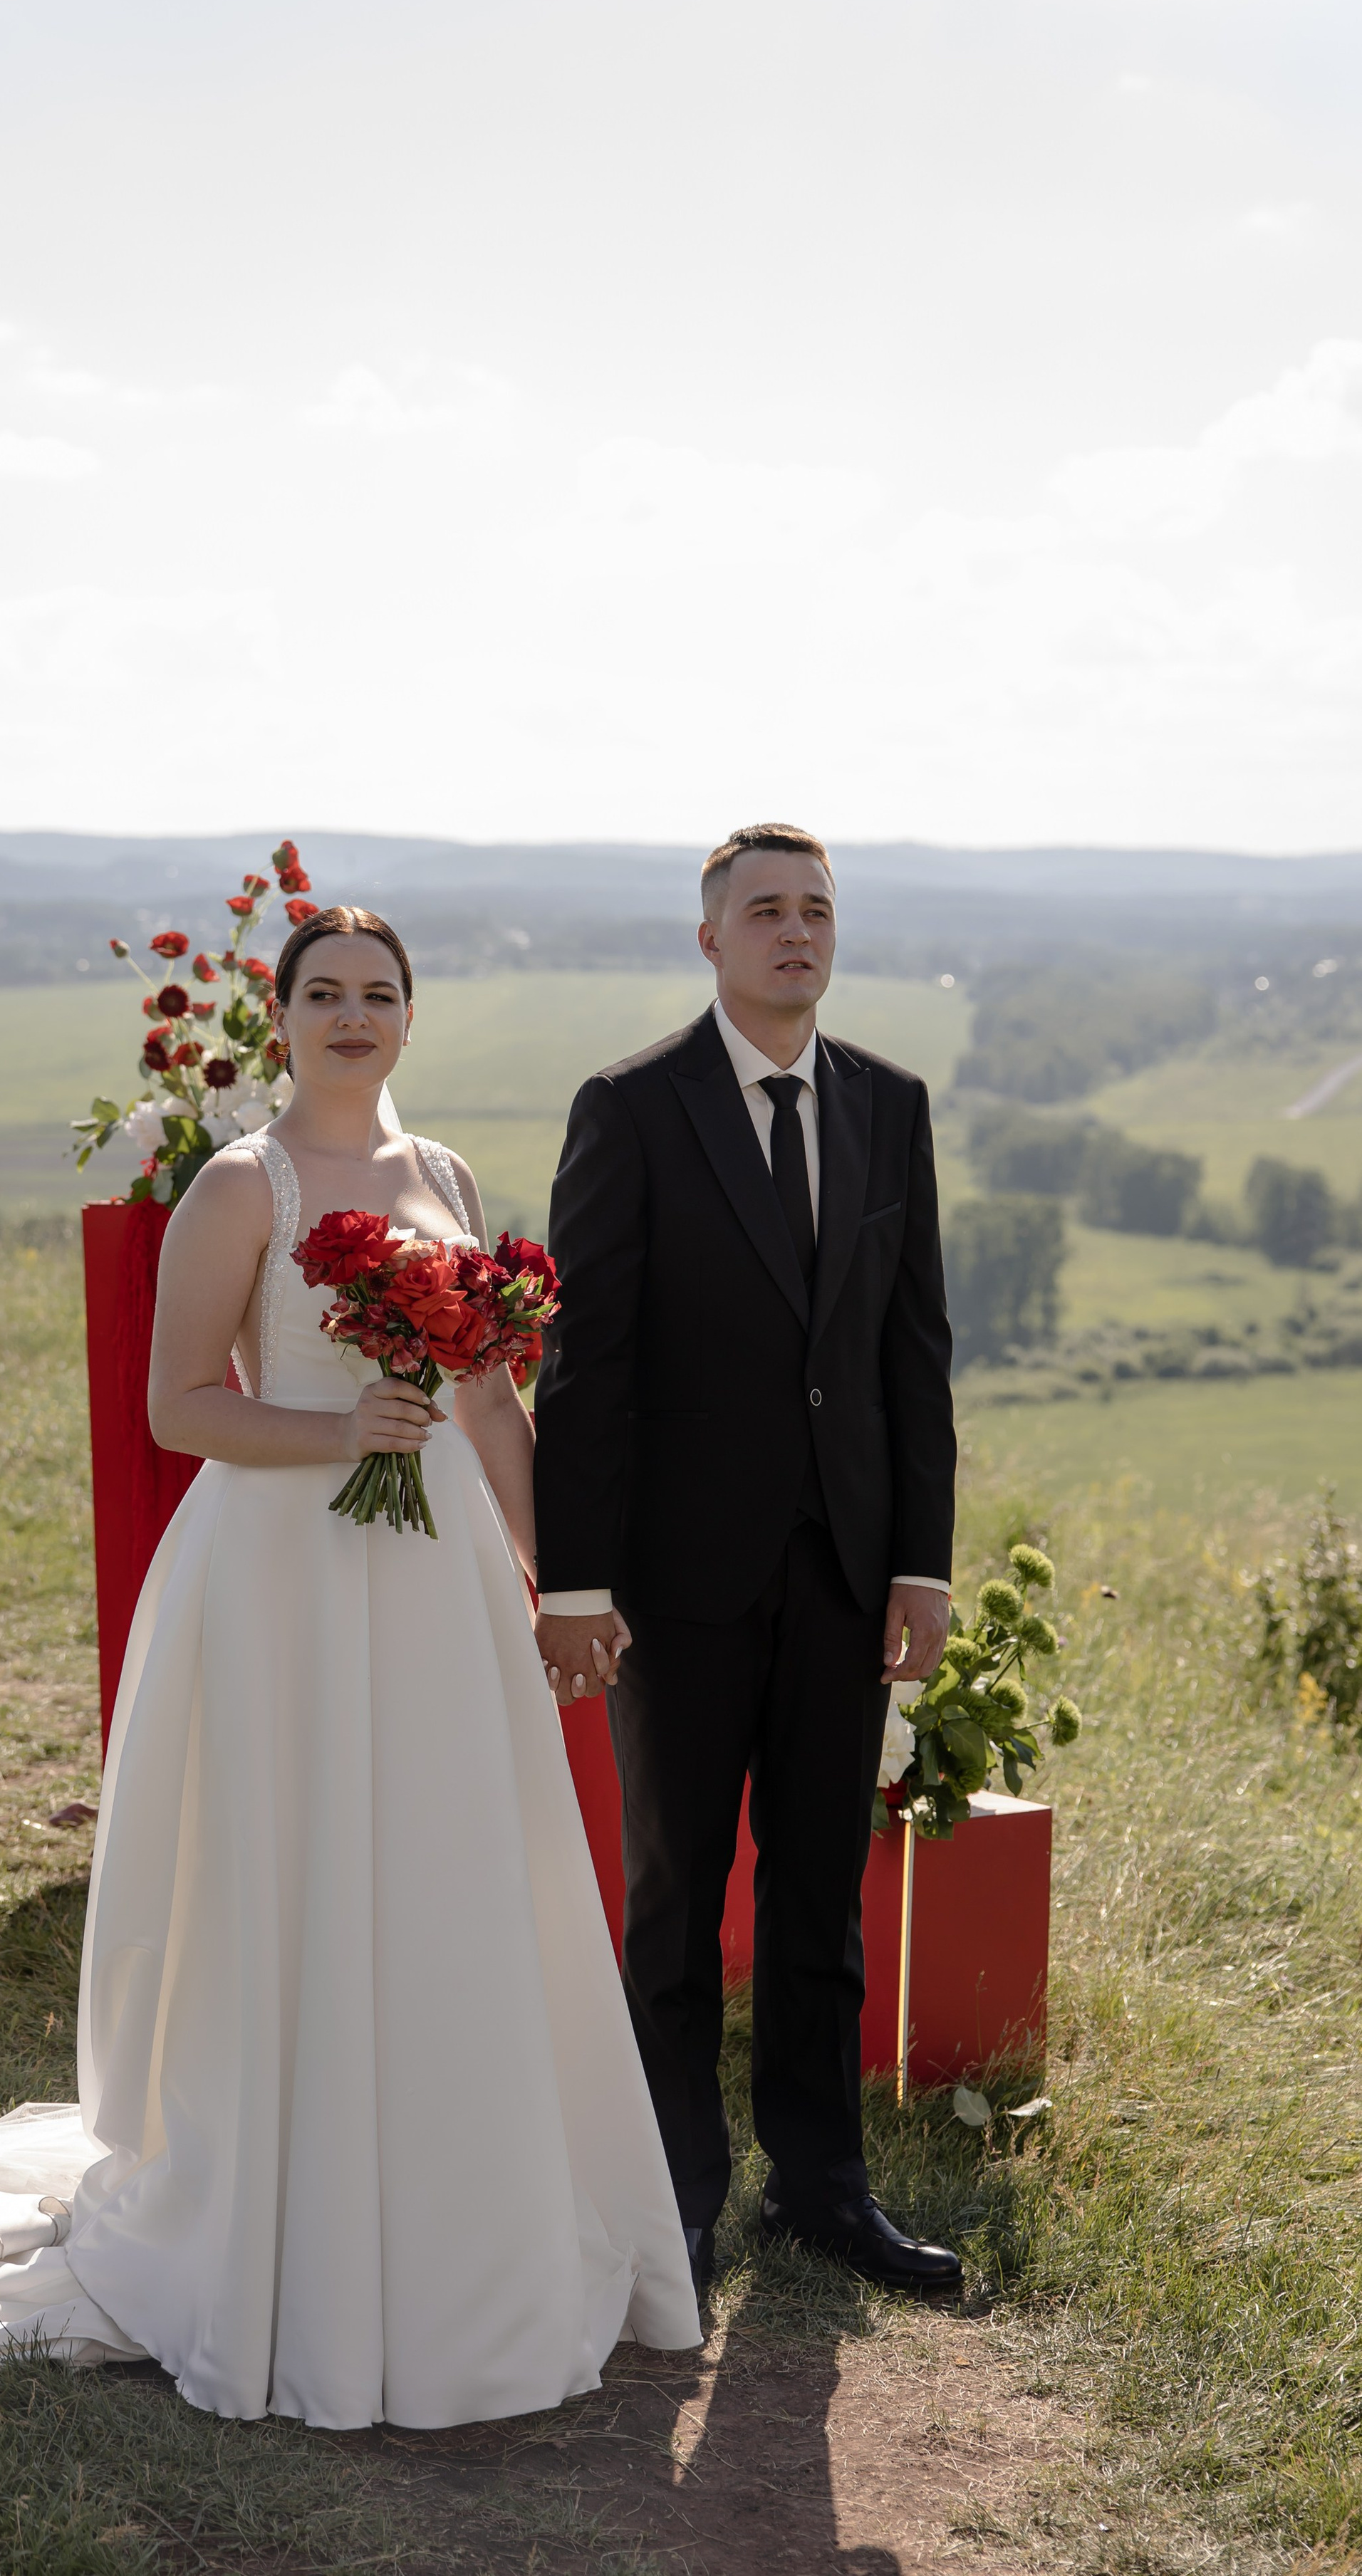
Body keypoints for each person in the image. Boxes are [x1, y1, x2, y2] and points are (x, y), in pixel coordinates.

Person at [0, 903, 700, 2419]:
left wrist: (551, 1584)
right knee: (295, 1870)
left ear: (412, 1017)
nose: (352, 1016)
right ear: (280, 1021)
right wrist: (343, 1427)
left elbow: (488, 1409)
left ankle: (458, 2207)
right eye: (323, 993)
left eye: (378, 994)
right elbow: (179, 1406)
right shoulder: (241, 1183)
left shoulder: (450, 1177)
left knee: (449, 1865)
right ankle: (287, 2198)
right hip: (282, 1572)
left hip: (438, 1577)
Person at [531, 825, 963, 2298]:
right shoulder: (631, 1107)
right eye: (762, 910)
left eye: (815, 910)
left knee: (820, 1890)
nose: (794, 931)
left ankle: (822, 2187)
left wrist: (922, 1560)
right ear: (706, 939)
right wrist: (574, 1583)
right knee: (673, 1894)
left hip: (844, 1566)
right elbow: (583, 1367)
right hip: (677, 1575)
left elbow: (912, 1354)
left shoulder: (889, 1106)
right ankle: (677, 2192)